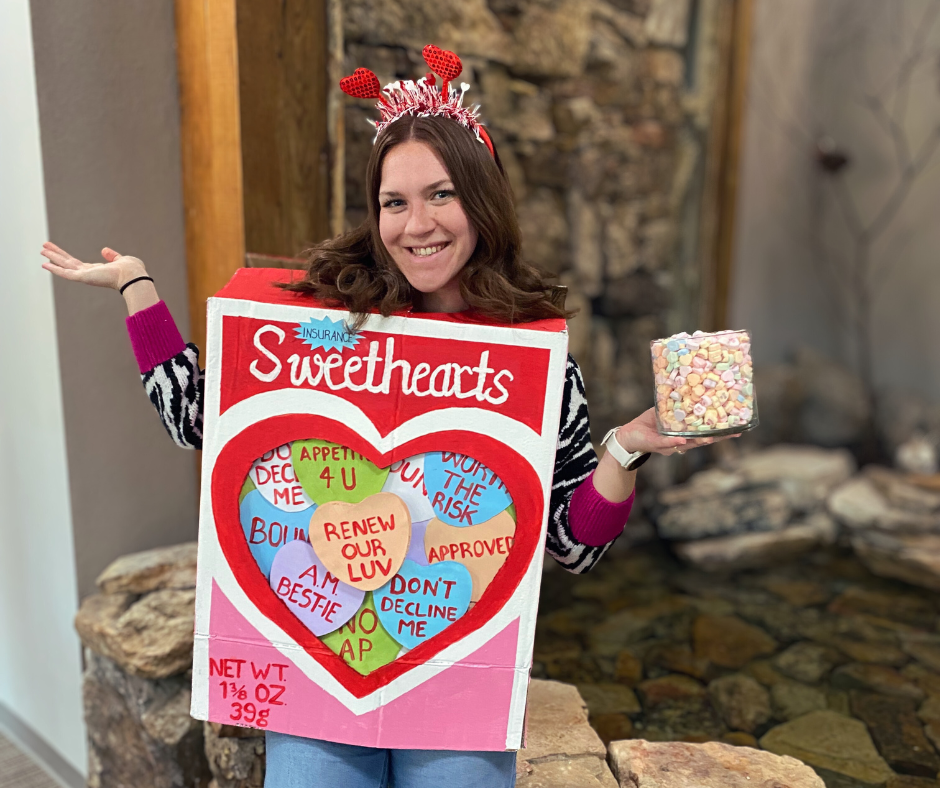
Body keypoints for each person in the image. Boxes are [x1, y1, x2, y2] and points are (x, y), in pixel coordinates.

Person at [41, 45, 720, 788]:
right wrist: (137, 286)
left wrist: (624, 448)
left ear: (483, 201)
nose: (416, 224)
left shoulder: (537, 363)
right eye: (395, 202)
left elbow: (571, 545)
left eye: (441, 194)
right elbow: (202, 421)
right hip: (322, 664)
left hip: (452, 664)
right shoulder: (334, 328)